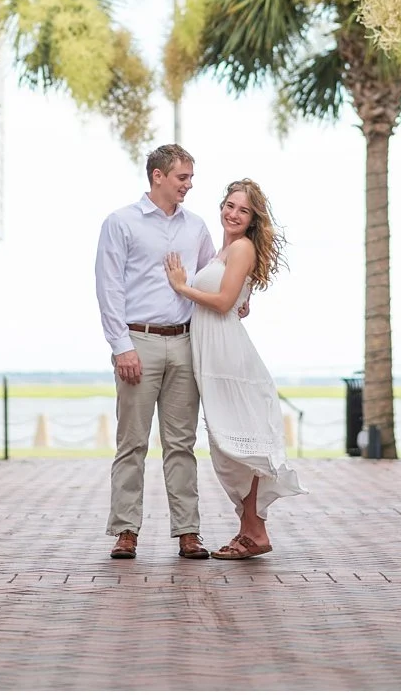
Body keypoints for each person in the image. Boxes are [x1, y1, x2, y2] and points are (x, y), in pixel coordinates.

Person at [165, 177, 305, 558]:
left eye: (243, 210)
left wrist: (181, 287)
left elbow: (225, 302)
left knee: (238, 443)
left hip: (228, 357)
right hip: (214, 355)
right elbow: (235, 297)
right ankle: (249, 530)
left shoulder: (241, 248)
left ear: (252, 219)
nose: (233, 214)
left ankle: (255, 533)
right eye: (230, 206)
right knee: (227, 446)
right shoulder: (223, 251)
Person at [96, 143, 222, 560]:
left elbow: (211, 276)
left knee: (182, 444)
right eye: (183, 177)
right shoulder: (120, 222)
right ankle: (125, 531)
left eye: (190, 178)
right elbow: (109, 287)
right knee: (132, 443)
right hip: (139, 342)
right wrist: (121, 347)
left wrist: (238, 298)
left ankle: (188, 531)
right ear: (158, 176)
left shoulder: (196, 227)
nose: (189, 185)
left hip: (185, 343)